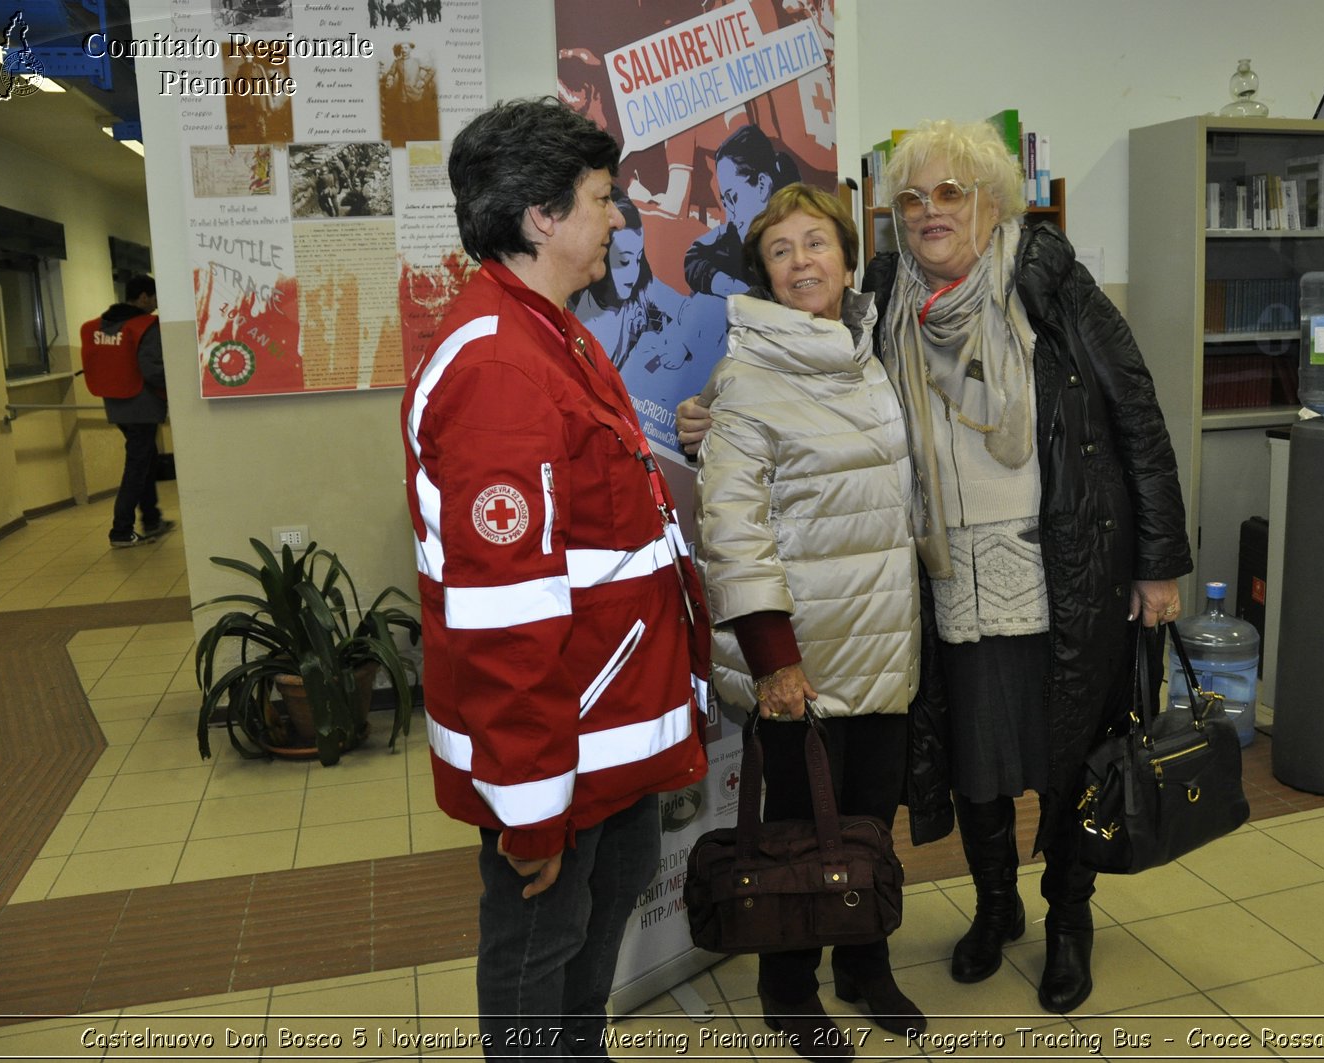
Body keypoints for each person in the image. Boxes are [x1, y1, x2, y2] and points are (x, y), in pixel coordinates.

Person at [678, 119, 1192, 1015]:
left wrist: (1159, 563)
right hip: (941, 588)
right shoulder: (881, 299)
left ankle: (1069, 917)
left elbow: (1138, 417)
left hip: (1064, 578)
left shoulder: (1050, 286)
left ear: (992, 201)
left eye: (950, 193)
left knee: (1071, 762)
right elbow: (794, 386)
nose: (929, 213)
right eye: (911, 199)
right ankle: (995, 908)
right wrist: (709, 408)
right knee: (974, 764)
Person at [399, 96, 710, 1057]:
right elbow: (505, 617)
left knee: (586, 957)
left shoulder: (550, 331)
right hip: (556, 757)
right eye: (602, 199)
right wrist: (530, 811)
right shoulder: (502, 367)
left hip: (602, 734)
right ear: (541, 216)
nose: (619, 218)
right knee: (541, 957)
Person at [694, 184, 921, 1059]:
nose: (801, 262)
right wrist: (773, 661)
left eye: (816, 243)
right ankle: (787, 987)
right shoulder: (745, 378)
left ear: (847, 259)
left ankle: (867, 962)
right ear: (764, 274)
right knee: (795, 829)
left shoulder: (867, 357)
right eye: (781, 250)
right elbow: (735, 530)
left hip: (885, 641)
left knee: (869, 815)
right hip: (800, 654)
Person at [79, 274, 175, 548]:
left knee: (145, 458)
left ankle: (152, 518)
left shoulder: (103, 325)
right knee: (137, 464)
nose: (156, 305)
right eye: (154, 298)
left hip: (116, 404)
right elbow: (153, 369)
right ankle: (121, 530)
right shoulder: (145, 325)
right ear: (143, 297)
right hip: (142, 404)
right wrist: (176, 389)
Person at [569, 191, 689, 370]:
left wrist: (680, 345)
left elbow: (689, 311)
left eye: (639, 259)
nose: (634, 271)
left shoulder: (643, 289)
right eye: (624, 261)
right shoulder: (571, 304)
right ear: (600, 254)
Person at [683, 125, 798, 297]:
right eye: (724, 201)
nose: (729, 216)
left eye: (733, 197)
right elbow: (693, 258)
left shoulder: (800, 229)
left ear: (762, 186)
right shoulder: (731, 236)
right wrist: (730, 287)